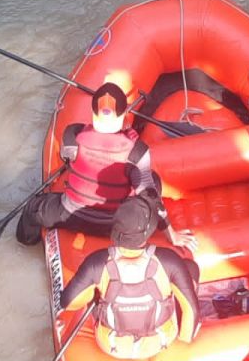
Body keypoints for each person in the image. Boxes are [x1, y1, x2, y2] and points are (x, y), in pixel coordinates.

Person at [17, 81, 197, 251]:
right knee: (153, 181)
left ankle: (27, 240)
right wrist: (171, 234)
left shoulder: (72, 135)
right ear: (124, 114)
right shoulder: (136, 151)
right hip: (113, 225)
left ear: (93, 113)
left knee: (34, 207)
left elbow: (67, 158)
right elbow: (150, 197)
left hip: (70, 215)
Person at [58, 197, 200, 359]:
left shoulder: (96, 262)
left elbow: (68, 302)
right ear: (148, 230)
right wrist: (183, 344)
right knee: (191, 268)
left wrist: (96, 294)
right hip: (160, 342)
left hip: (112, 346)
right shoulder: (168, 260)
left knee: (93, 289)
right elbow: (192, 310)